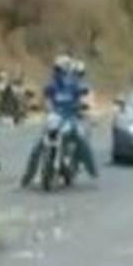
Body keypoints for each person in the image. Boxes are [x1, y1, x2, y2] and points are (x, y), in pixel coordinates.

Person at [21, 54, 99, 187]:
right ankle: (28, 176)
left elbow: (85, 92)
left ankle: (92, 169)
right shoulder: (52, 85)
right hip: (54, 118)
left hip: (71, 118)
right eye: (56, 69)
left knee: (81, 139)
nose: (58, 72)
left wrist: (83, 104)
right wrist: (37, 105)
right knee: (37, 146)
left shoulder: (74, 84)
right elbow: (44, 97)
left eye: (61, 69)